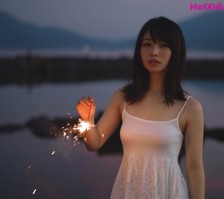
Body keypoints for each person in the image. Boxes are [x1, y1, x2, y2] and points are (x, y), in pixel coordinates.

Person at [76, 16, 205, 199]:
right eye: (147, 44)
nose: (154, 51)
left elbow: (195, 168)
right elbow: (94, 143)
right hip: (127, 191)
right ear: (139, 50)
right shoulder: (123, 98)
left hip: (168, 192)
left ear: (176, 52)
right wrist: (87, 120)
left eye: (163, 45)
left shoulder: (190, 108)